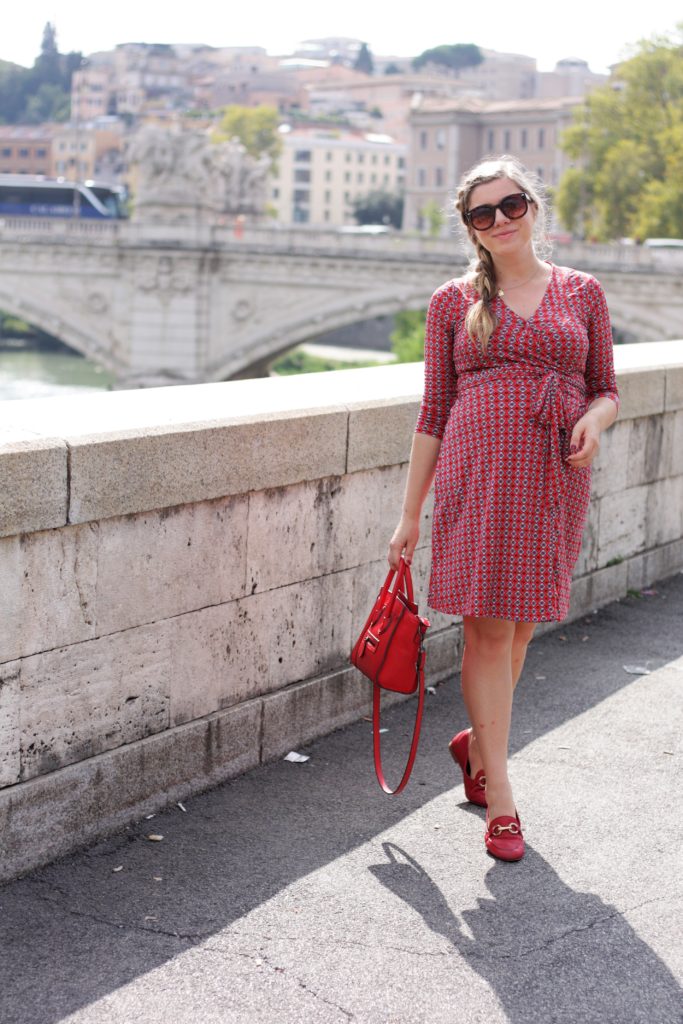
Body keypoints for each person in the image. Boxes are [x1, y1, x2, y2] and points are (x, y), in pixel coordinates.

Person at [388, 156, 619, 862]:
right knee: (488, 635)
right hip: (476, 473)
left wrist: (595, 419)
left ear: (532, 208)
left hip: (553, 475)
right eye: (481, 214)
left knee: (519, 632)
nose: (499, 221)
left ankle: (476, 744)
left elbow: (606, 386)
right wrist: (407, 516)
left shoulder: (581, 293)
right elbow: (433, 411)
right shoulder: (452, 303)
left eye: (510, 205)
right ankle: (502, 799)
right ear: (469, 229)